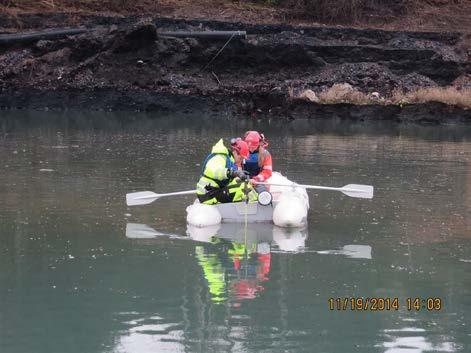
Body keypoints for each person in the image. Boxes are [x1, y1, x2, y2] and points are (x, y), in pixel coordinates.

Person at [196, 138, 258, 205]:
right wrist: (233, 173)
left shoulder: (229, 160)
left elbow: (229, 180)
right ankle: (255, 208)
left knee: (245, 184)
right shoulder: (219, 157)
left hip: (213, 191)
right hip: (208, 194)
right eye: (241, 158)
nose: (241, 161)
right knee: (244, 188)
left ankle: (253, 205)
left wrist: (246, 180)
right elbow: (214, 171)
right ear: (234, 152)